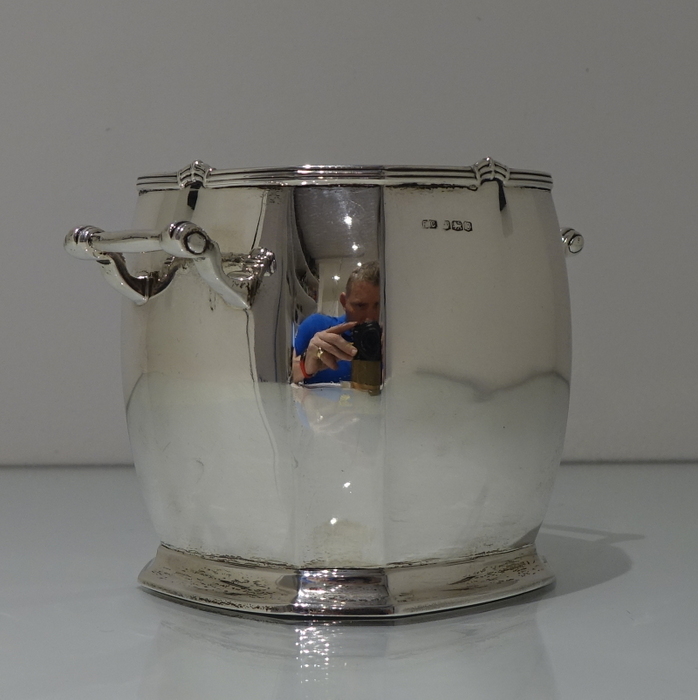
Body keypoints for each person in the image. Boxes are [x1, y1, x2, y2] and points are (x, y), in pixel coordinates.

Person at [292, 262, 380, 384]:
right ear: (344, 302)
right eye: (360, 306)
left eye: (378, 305)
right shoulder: (317, 326)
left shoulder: (393, 341)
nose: (369, 318)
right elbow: (283, 378)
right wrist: (305, 366)